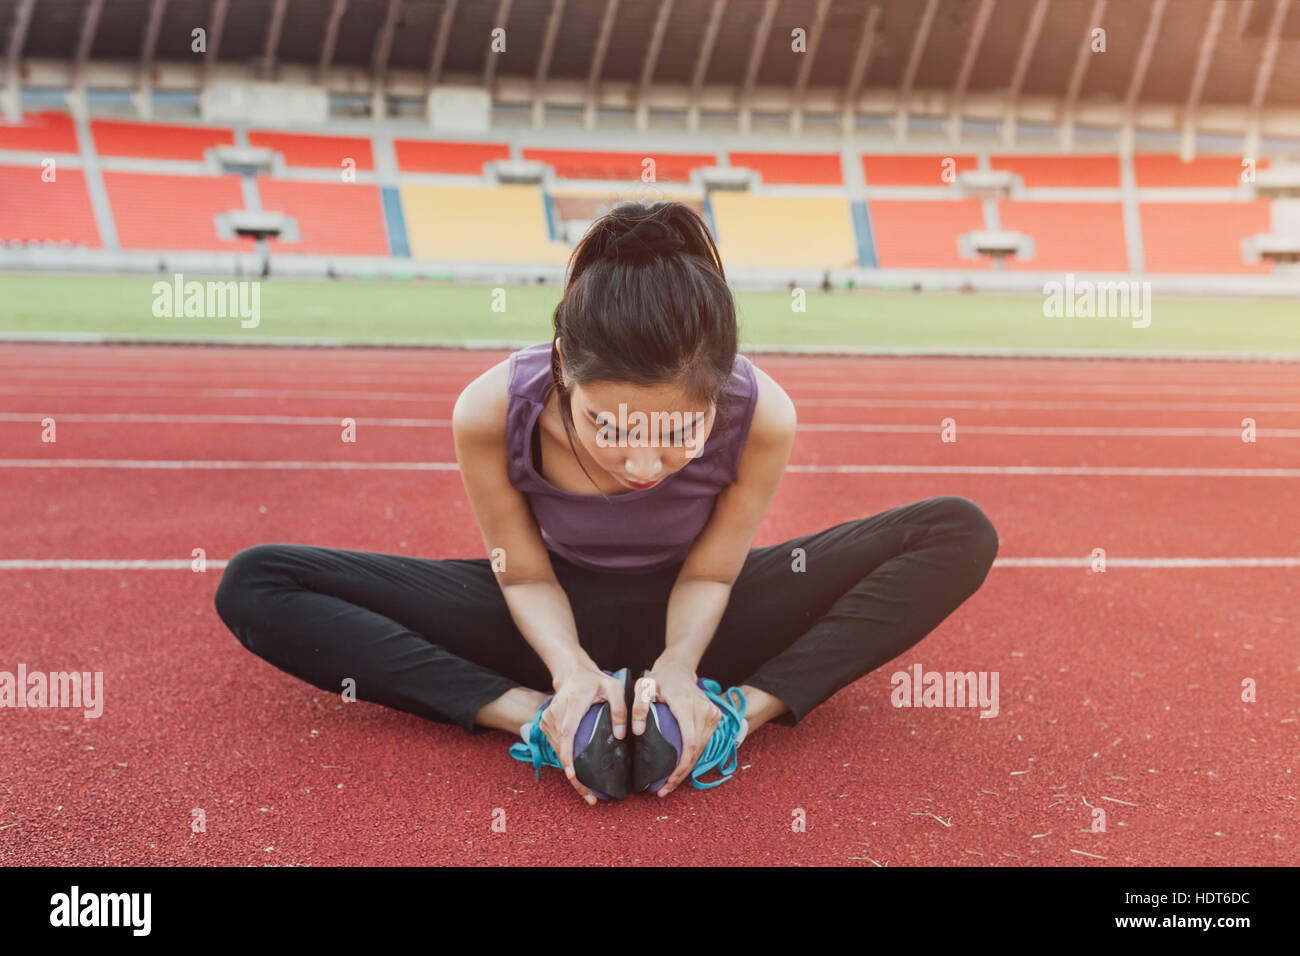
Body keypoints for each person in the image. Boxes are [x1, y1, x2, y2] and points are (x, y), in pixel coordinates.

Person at [214, 200, 999, 805]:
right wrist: (568, 677)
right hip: (539, 618)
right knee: (258, 582)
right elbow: (519, 576)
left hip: (706, 619)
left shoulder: (763, 414)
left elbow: (713, 575)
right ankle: (541, 719)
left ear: (718, 390)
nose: (643, 462)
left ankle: (726, 718)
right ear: (562, 367)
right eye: (610, 427)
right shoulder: (490, 410)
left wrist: (683, 670)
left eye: (678, 431)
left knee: (956, 532)